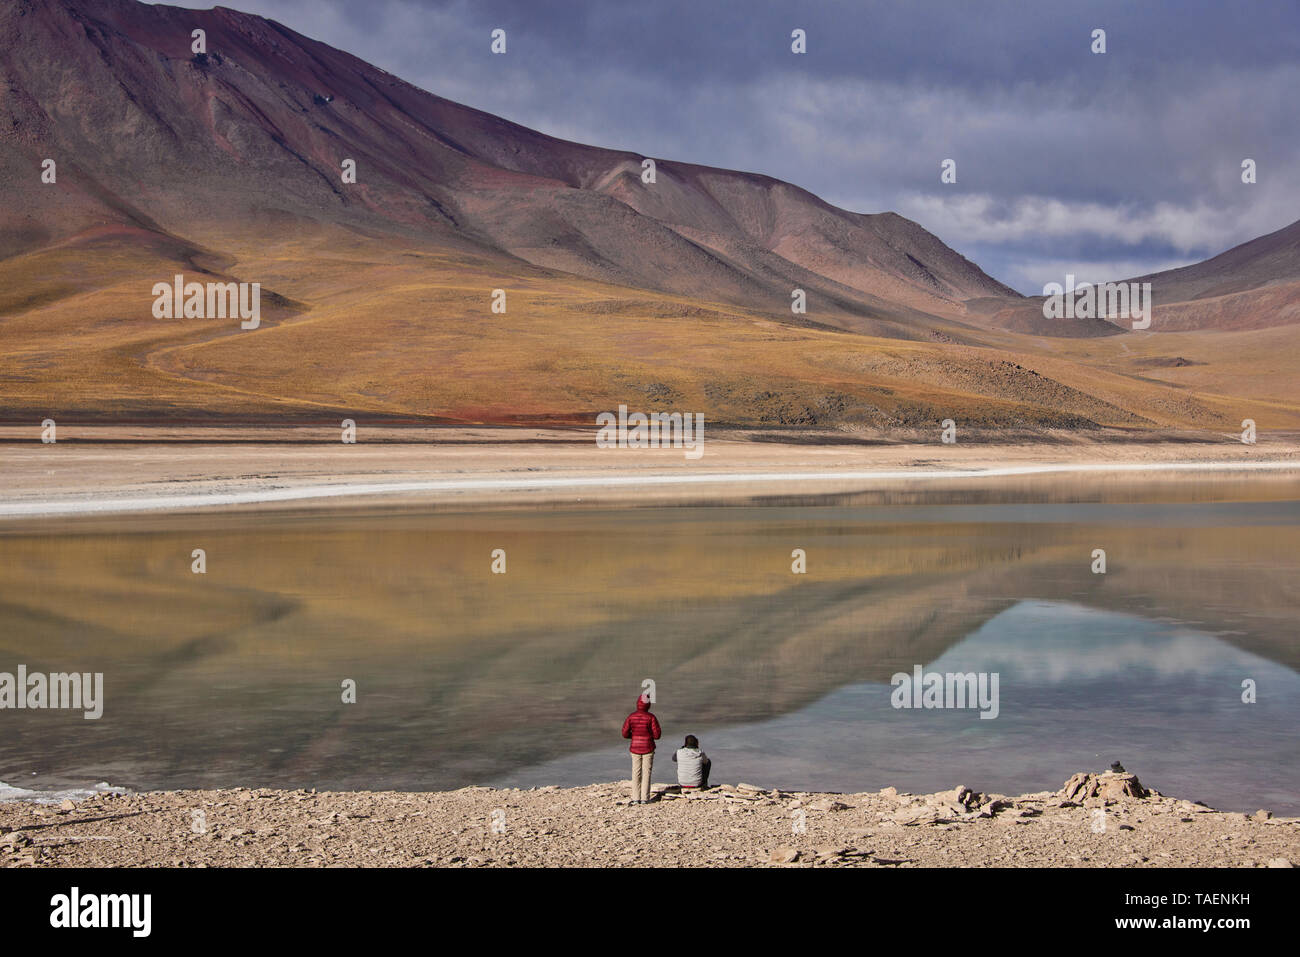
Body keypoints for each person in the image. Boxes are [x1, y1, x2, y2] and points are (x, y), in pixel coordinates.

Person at [621, 693, 661, 803]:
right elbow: (657, 735)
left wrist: (633, 736)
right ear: (648, 705)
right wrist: (649, 737)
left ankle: (635, 798)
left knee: (636, 772)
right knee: (646, 773)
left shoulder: (631, 717)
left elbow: (624, 733)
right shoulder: (651, 717)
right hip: (648, 747)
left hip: (635, 747)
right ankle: (645, 798)